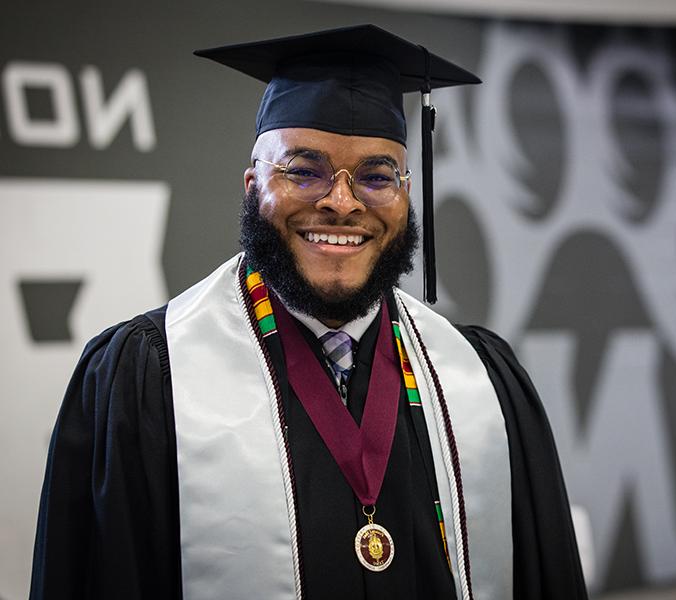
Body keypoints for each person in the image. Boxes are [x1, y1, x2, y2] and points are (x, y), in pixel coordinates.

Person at [30, 24, 587, 600]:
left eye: (376, 177)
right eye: (303, 170)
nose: (341, 203)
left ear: (406, 194)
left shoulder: (479, 381)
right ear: (252, 187)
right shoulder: (148, 377)